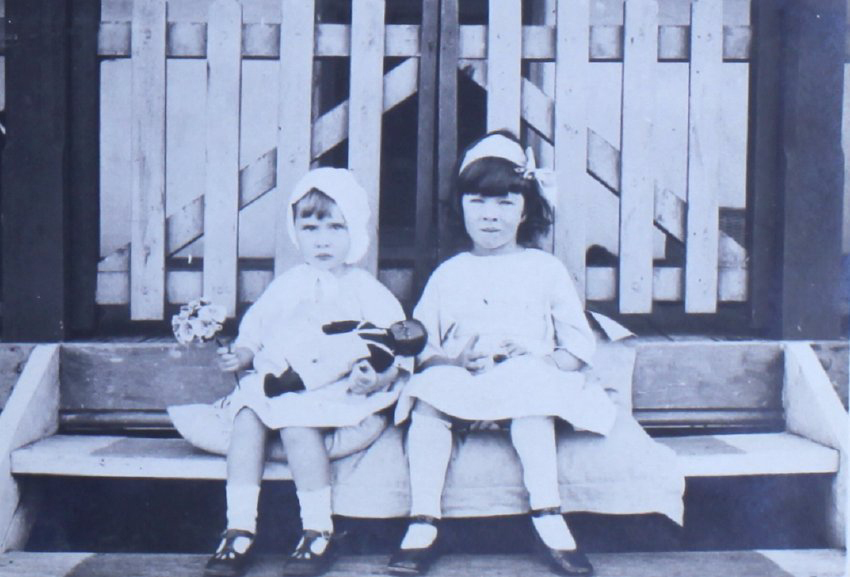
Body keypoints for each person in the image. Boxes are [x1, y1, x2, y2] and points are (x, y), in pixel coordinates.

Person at [388, 131, 617, 577]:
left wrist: (539, 356)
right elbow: (421, 348)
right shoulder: (448, 274)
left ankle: (548, 514)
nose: (490, 215)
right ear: (461, 207)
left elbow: (577, 346)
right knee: (430, 396)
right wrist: (450, 362)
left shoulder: (544, 269)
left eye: (506, 202)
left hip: (526, 376)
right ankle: (423, 520)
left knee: (531, 396)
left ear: (526, 208)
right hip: (464, 380)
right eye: (478, 202)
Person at [198, 167, 411, 577]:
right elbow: (256, 328)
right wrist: (242, 354)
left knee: (298, 425)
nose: (323, 239)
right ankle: (239, 526)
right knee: (247, 415)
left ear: (354, 232)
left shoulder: (365, 288)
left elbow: (395, 344)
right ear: (296, 232)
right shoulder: (288, 283)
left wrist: (378, 376)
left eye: (335, 227)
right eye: (310, 227)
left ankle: (317, 529)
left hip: (331, 388)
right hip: (280, 379)